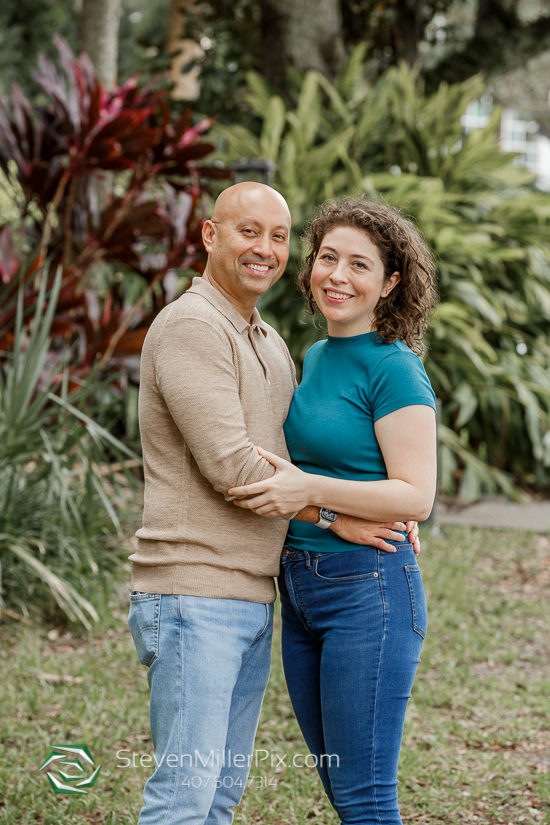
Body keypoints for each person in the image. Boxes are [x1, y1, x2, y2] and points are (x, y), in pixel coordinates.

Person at [127, 183, 419, 825]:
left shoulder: (271, 344)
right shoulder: (193, 327)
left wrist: (387, 500)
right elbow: (234, 465)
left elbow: (308, 458)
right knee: (185, 797)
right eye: (247, 231)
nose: (264, 249)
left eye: (280, 236)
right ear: (210, 236)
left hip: (256, 593)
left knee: (217, 799)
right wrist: (345, 517)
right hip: (193, 593)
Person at [228, 197, 438, 825]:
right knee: (343, 790)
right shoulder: (314, 359)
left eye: (359, 265)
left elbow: (415, 495)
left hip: (366, 592)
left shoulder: (395, 368)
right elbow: (290, 484)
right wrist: (321, 508)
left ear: (390, 282)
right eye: (327, 258)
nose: (337, 276)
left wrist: (312, 492)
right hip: (301, 592)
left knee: (366, 796)